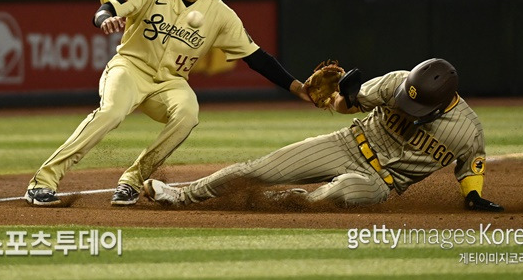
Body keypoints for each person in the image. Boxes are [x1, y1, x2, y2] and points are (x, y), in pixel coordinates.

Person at [25, 0, 310, 206]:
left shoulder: (221, 13)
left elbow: (256, 57)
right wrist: (104, 19)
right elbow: (109, 8)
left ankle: (132, 182)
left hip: (170, 81)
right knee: (111, 112)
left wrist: (296, 87)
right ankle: (44, 182)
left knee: (188, 113)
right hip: (130, 67)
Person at [144, 58, 504, 212]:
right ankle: (183, 195)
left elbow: (470, 165)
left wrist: (473, 195)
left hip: (380, 181)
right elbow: (350, 104)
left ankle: (289, 200)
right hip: (347, 144)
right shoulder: (398, 82)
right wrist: (337, 99)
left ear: (444, 104)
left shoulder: (467, 130)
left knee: (329, 197)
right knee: (260, 169)